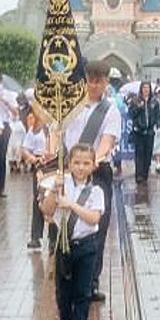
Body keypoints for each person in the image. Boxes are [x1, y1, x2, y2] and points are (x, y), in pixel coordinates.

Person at [63, 61, 121, 303]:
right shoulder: (71, 108)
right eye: (91, 80)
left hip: (97, 172)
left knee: (96, 226)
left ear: (106, 82)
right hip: (71, 168)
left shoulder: (110, 111)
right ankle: (66, 274)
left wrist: (91, 162)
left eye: (100, 80)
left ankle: (90, 281)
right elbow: (59, 133)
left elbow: (107, 142)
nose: (94, 85)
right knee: (66, 222)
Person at [42, 144, 104, 320]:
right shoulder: (61, 184)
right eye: (76, 163)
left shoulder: (96, 191)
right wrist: (53, 190)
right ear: (69, 164)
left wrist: (72, 206)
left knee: (82, 291)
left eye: (86, 163)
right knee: (63, 291)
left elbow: (94, 218)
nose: (81, 167)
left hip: (86, 246)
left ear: (93, 166)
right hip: (63, 245)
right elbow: (47, 210)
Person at [21, 110, 52, 250]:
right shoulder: (35, 128)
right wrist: (31, 158)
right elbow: (25, 148)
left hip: (55, 165)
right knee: (38, 199)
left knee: (54, 200)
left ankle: (53, 236)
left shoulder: (56, 127)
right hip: (40, 165)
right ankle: (35, 236)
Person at [129, 81, 160, 184]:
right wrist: (139, 107)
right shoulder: (135, 101)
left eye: (148, 88)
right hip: (139, 132)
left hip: (150, 132)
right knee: (139, 154)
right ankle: (139, 175)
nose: (146, 90)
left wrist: (158, 123)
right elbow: (131, 114)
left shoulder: (154, 102)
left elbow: (157, 114)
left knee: (148, 154)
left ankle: (145, 174)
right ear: (141, 89)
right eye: (144, 88)